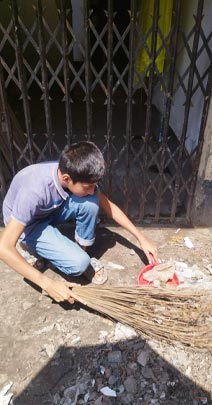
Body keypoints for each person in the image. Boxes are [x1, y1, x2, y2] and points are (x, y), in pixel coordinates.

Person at [0, 141, 157, 304]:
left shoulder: (71, 172)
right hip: (28, 225)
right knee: (79, 264)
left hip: (49, 211)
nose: (92, 190)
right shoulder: (33, 191)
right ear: (67, 179)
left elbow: (107, 204)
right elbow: (3, 248)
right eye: (88, 186)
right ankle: (26, 245)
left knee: (91, 201)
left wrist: (141, 238)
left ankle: (78, 250)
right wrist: (48, 284)